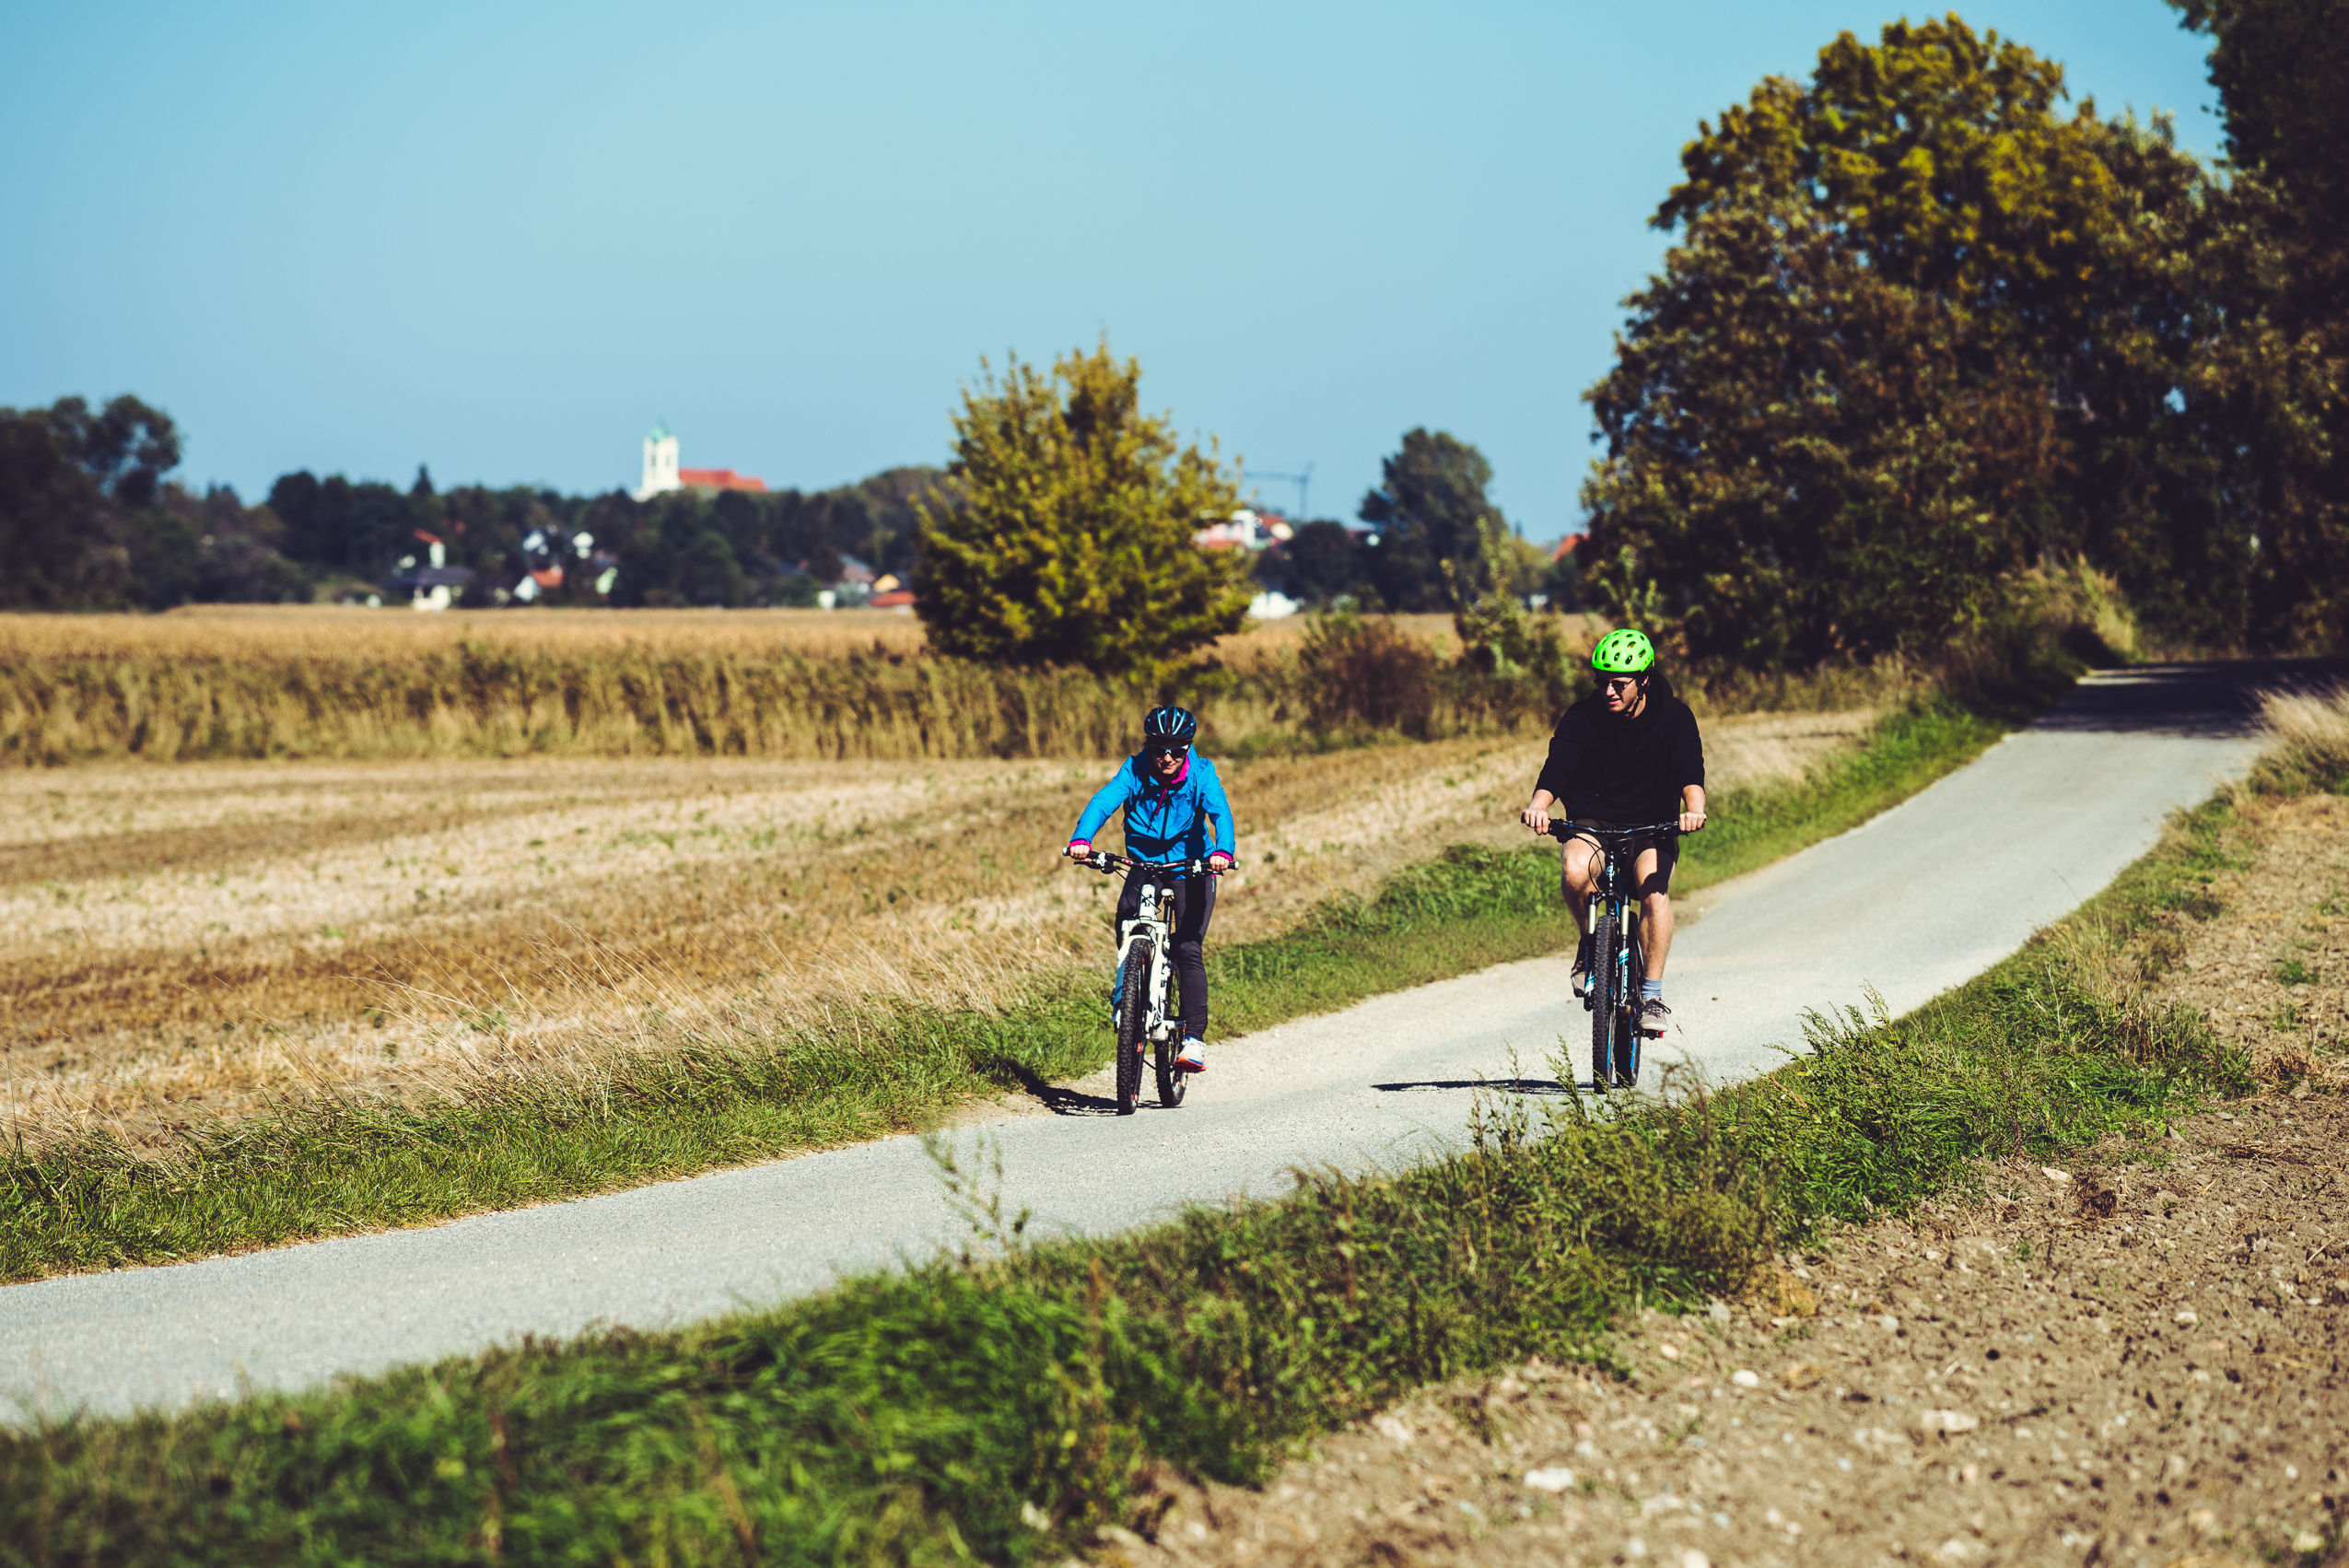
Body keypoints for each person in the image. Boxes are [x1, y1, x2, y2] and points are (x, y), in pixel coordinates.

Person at [1518, 629, 1707, 1035]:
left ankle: (1652, 993)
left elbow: (1689, 770)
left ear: (1644, 680)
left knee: (1653, 894)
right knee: (1573, 868)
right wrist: (1540, 804)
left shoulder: (1674, 717)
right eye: (1600, 681)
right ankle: (1590, 948)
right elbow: (1559, 765)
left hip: (1651, 823)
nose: (1607, 690)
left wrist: (1694, 809)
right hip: (1593, 819)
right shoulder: (1582, 717)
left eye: (1618, 683)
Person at [1064, 704, 1235, 1072]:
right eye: (1159, 749)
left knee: (1187, 948)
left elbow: (1220, 812)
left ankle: (1193, 1040)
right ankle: (1127, 1001)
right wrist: (1082, 838)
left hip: (1192, 866)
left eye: (1176, 749)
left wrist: (1222, 851)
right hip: (1144, 864)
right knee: (1127, 925)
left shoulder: (1203, 774)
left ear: (1188, 748)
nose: (1167, 757)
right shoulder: (1135, 769)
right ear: (1150, 747)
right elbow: (1104, 801)